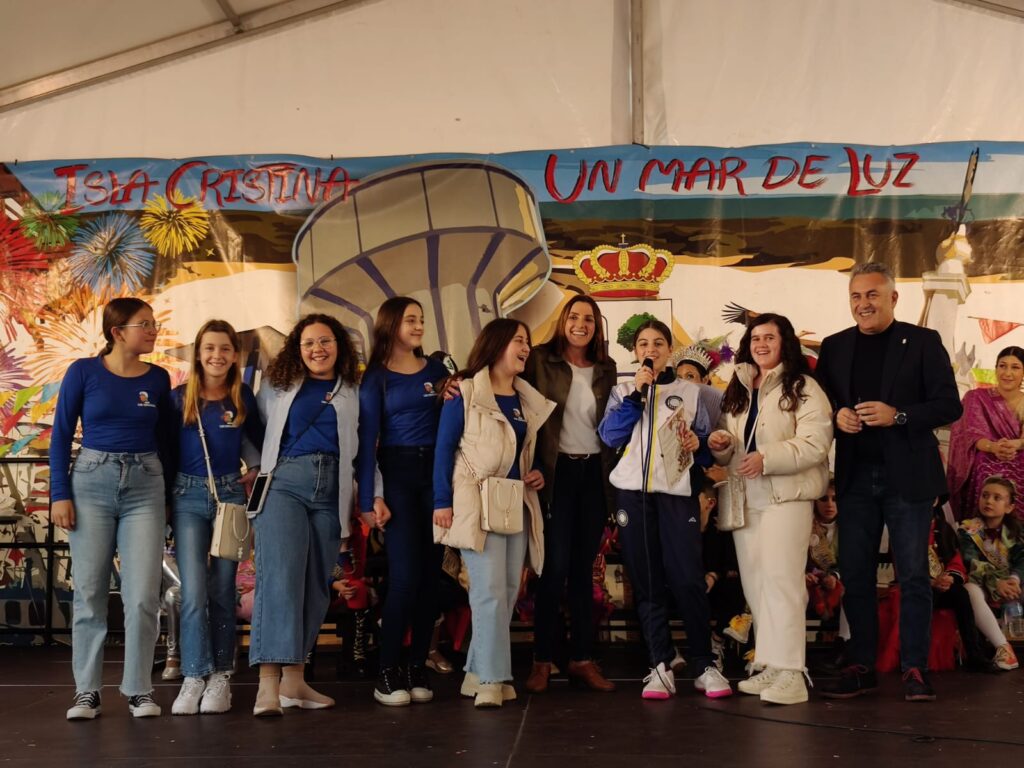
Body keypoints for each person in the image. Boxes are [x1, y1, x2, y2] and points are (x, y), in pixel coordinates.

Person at [815, 262, 963, 702]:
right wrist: (837, 416)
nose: (863, 304)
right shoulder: (835, 346)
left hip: (909, 478)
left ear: (893, 298)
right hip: (856, 477)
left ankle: (914, 668)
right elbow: (821, 404)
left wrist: (897, 416)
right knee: (856, 574)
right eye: (856, 296)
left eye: (872, 295)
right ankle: (861, 665)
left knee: (913, 575)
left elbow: (949, 405)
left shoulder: (923, 342)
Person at [249, 314, 385, 717]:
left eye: (325, 341)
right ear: (298, 348)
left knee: (315, 587)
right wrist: (256, 466)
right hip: (285, 485)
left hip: (332, 491)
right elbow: (254, 430)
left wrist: (373, 495)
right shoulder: (278, 385)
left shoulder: (354, 390)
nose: (317, 349)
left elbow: (366, 451)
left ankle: (294, 682)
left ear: (339, 345)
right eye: (308, 343)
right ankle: (267, 685)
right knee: (280, 581)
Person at [51, 297, 174, 720]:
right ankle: (86, 691)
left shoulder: (158, 378)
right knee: (90, 593)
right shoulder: (83, 371)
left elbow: (168, 442)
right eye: (145, 324)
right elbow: (60, 434)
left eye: (154, 324)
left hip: (146, 484)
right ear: (118, 331)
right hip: (91, 482)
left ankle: (139, 689)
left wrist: (169, 499)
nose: (153, 330)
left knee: (142, 595)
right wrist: (59, 494)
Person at [598, 319, 732, 701]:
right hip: (633, 496)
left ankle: (704, 664)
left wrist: (698, 444)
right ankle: (659, 664)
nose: (651, 350)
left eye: (658, 343)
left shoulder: (693, 393)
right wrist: (637, 395)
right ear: (635, 352)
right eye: (643, 344)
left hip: (677, 494)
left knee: (688, 578)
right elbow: (610, 435)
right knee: (647, 581)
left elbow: (706, 449)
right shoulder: (623, 390)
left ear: (669, 350)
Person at [709, 313, 832, 705]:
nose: (761, 344)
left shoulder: (804, 386)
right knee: (757, 585)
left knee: (782, 582)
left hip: (786, 498)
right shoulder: (741, 385)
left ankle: (793, 673)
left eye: (769, 337)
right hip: (747, 498)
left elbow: (815, 443)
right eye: (755, 338)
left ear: (785, 343)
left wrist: (767, 457)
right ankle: (772, 665)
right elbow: (734, 444)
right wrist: (722, 445)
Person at [432, 318, 554, 708]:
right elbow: (443, 449)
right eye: (519, 340)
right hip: (475, 503)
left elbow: (526, 454)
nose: (526, 348)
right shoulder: (465, 391)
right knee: (487, 593)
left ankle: (474, 673)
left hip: (515, 502)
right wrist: (441, 502)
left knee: (507, 592)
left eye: (527, 341)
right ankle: (492, 679)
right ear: (497, 344)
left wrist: (536, 472)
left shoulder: (526, 399)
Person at [521, 296, 618, 693]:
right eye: (574, 317)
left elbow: (614, 424)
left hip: (594, 474)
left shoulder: (607, 368)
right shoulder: (540, 360)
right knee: (553, 568)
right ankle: (543, 660)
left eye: (589, 319)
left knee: (583, 571)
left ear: (597, 326)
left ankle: (581, 658)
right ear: (563, 321)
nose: (581, 324)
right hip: (555, 473)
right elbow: (519, 409)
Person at [356, 297, 450, 706]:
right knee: (405, 577)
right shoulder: (375, 378)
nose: (418, 326)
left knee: (431, 579)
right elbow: (365, 443)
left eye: (421, 319)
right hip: (397, 474)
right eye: (410, 319)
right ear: (391, 324)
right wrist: (368, 499)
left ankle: (416, 666)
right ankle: (386, 671)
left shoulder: (437, 371)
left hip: (437, 475)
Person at [170, 320, 264, 715]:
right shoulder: (179, 398)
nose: (217, 356)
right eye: (209, 348)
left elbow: (259, 441)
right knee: (193, 592)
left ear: (234, 355)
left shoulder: (241, 395)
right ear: (198, 353)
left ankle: (221, 675)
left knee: (224, 589)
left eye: (225, 348)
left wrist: (254, 468)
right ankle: (194, 675)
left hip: (229, 495)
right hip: (187, 496)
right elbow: (165, 449)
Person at [948, 347, 1024, 520]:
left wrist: (1015, 444)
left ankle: (1015, 532)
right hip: (985, 456)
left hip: (1017, 455)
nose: (1007, 373)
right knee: (984, 464)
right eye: (1002, 366)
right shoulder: (976, 397)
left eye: (1015, 367)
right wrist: (993, 447)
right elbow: (970, 435)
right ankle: (976, 530)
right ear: (996, 369)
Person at [958, 475, 1023, 671]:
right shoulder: (968, 530)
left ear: (1009, 507)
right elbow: (971, 561)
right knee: (969, 590)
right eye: (985, 495)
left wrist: (1013, 579)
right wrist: (997, 583)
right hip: (983, 583)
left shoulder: (1018, 531)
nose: (989, 501)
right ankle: (1003, 647)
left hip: (1013, 585)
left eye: (997, 498)